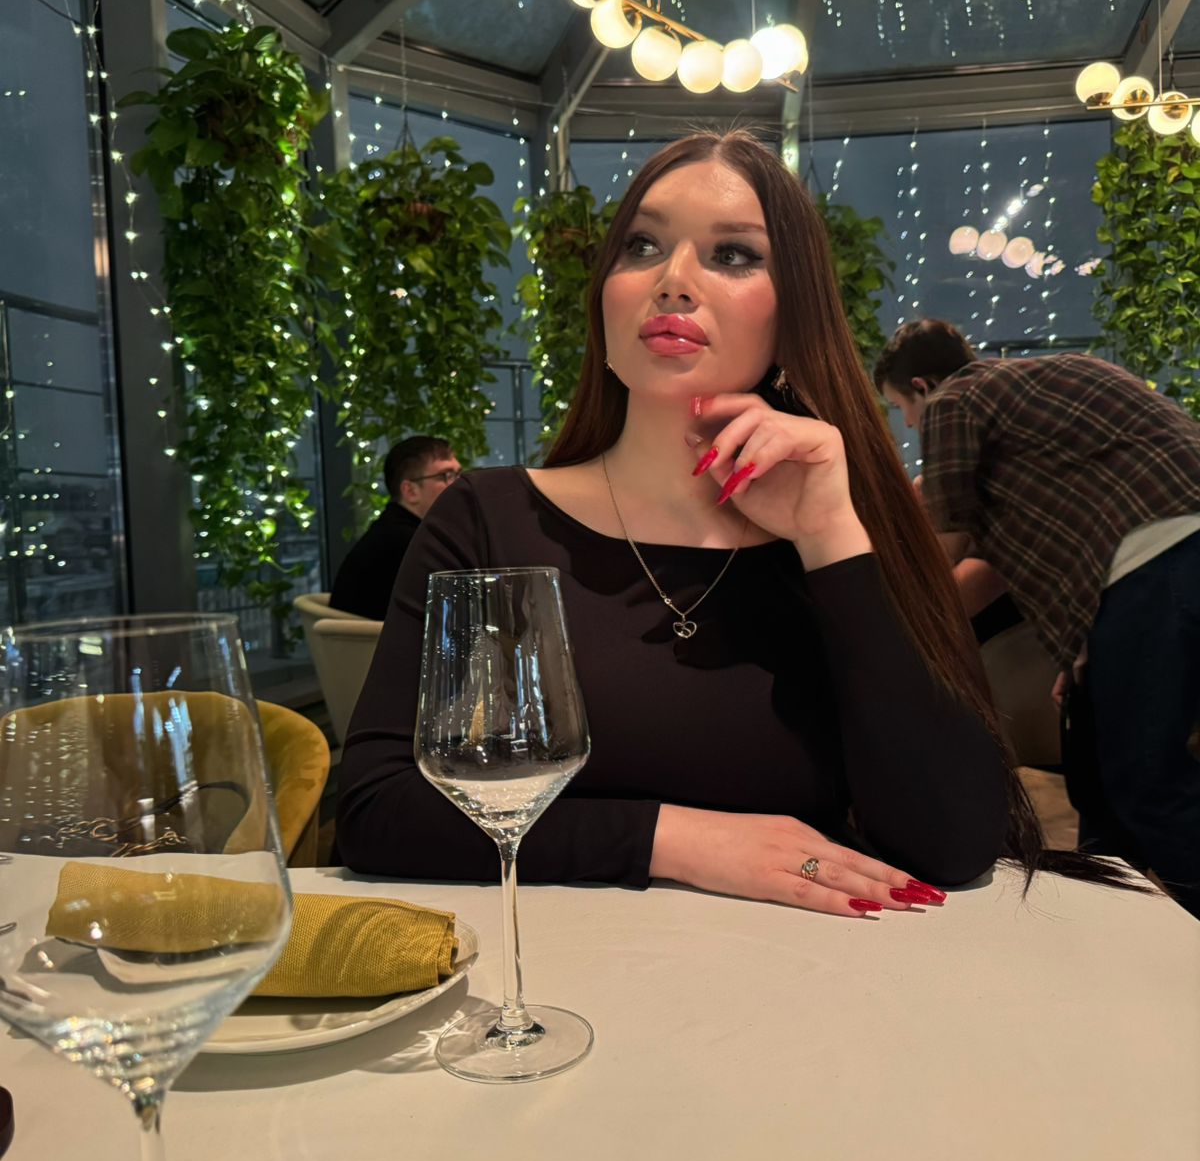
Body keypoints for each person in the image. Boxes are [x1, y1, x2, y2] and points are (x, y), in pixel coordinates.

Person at [338, 134, 1137, 917]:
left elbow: (956, 844)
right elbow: (377, 811)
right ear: (603, 299)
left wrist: (830, 536)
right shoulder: (486, 519)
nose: (674, 281)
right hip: (550, 980)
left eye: (733, 255)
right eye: (643, 246)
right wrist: (676, 840)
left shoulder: (836, 535)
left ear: (794, 317)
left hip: (802, 983)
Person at [876, 318, 1200, 914]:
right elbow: (1033, 548)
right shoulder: (1034, 404)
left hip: (1158, 555)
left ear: (921, 386)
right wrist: (1082, 651)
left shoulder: (957, 397)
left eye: (902, 410)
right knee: (1097, 775)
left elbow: (947, 541)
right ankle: (1108, 915)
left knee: (1144, 782)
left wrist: (890, 628)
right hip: (1149, 569)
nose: (911, 426)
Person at [328, 436, 462, 620]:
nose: (458, 485)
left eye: (459, 474)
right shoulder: (408, 542)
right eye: (446, 476)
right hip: (374, 638)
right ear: (410, 491)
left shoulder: (393, 529)